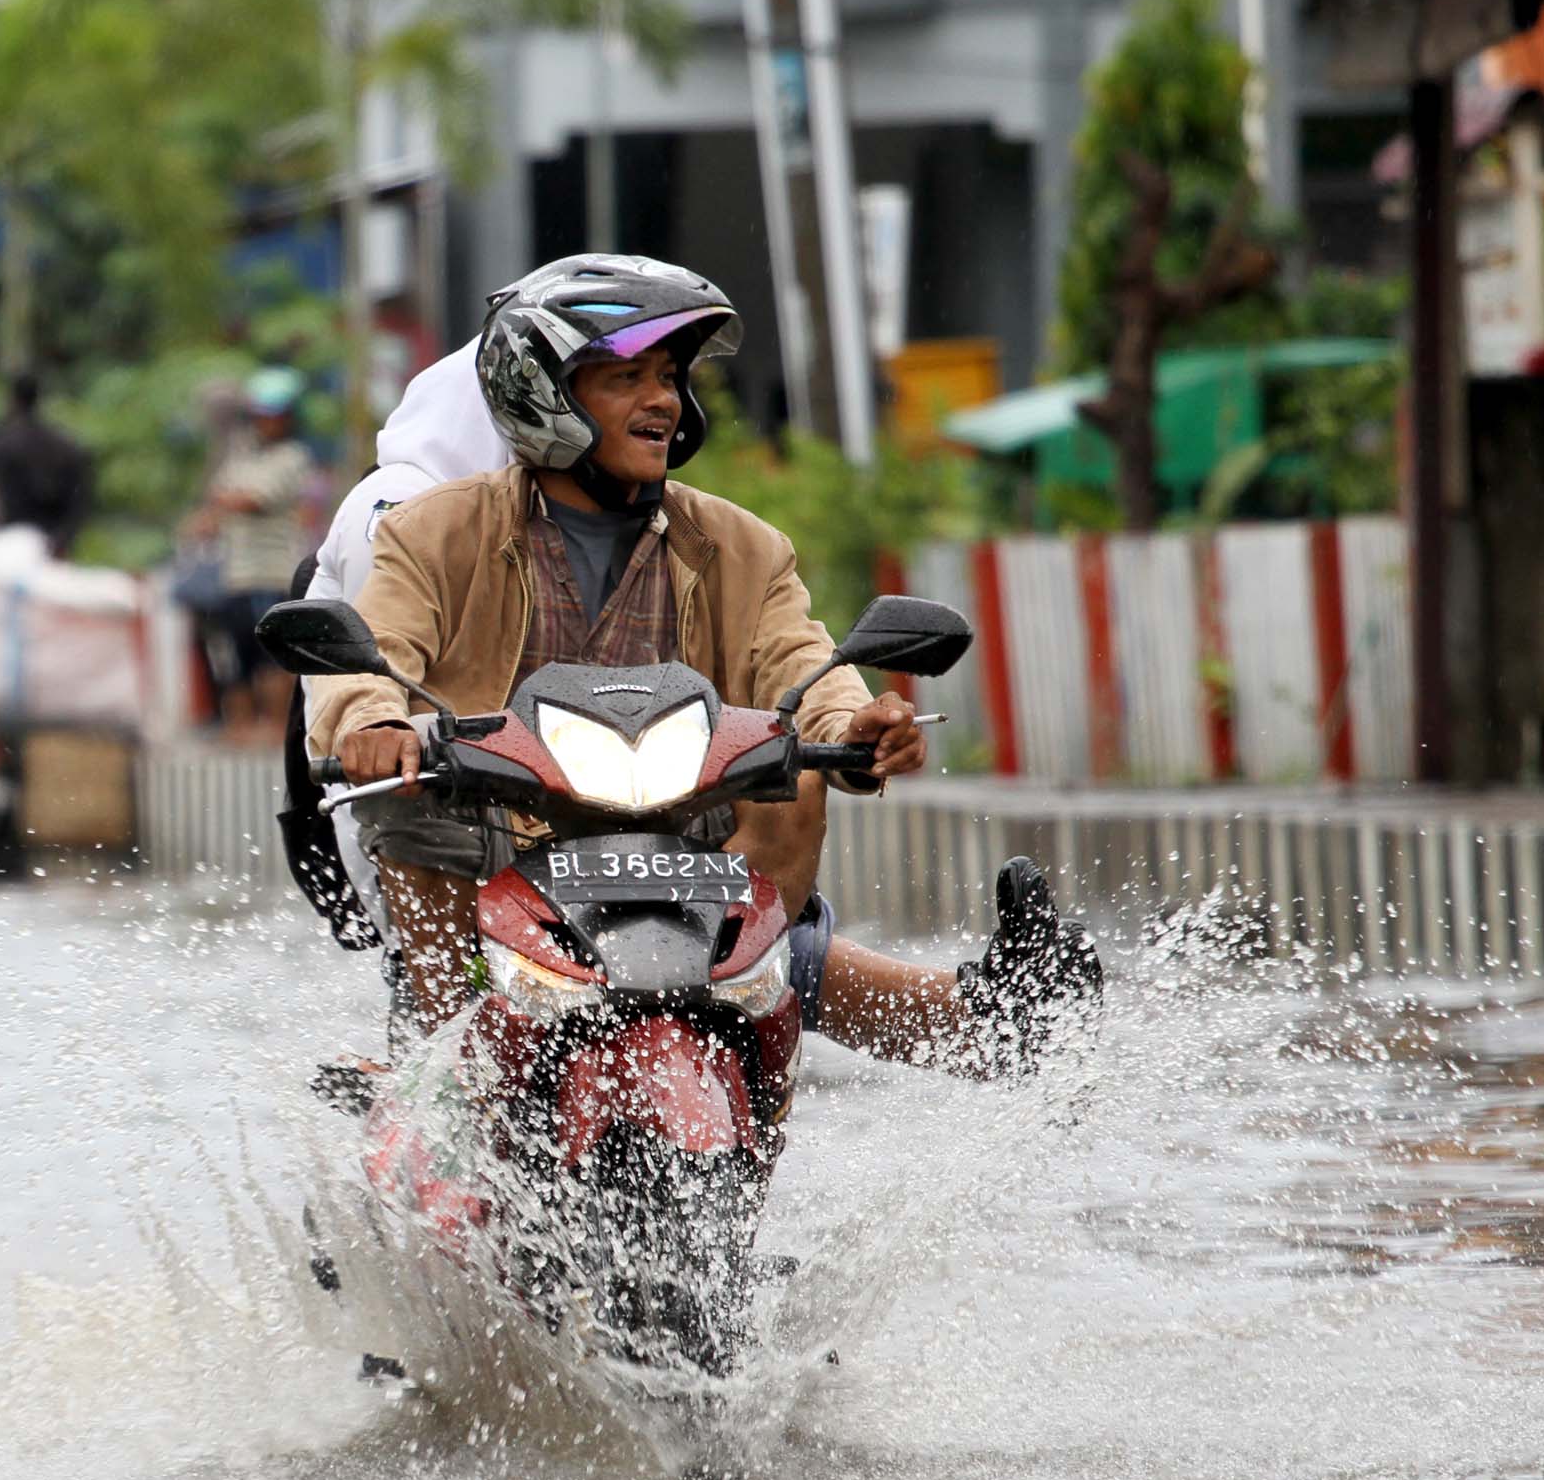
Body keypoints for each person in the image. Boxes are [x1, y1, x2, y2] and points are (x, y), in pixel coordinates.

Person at [307, 256, 1097, 1069]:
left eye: (668, 378)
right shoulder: (430, 529)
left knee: (793, 782)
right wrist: (375, 722)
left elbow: (800, 659)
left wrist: (855, 723)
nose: (662, 400)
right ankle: (446, 1062)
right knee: (410, 801)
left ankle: (794, 1030)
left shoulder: (742, 545)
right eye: (628, 378)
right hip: (492, 846)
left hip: (671, 849)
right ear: (543, 393)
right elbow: (373, 650)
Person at [193, 366, 317, 742]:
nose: (267, 423)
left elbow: (250, 499)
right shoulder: (243, 456)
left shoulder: (292, 457)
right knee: (237, 659)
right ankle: (241, 733)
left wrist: (221, 503)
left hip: (271, 572)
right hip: (237, 575)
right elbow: (215, 500)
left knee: (272, 660)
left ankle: (275, 733)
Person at [0, 372, 95, 555]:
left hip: (11, 541)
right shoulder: (66, 445)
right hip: (55, 541)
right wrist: (62, 540)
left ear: (11, 399)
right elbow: (80, 500)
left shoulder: (0, 444)